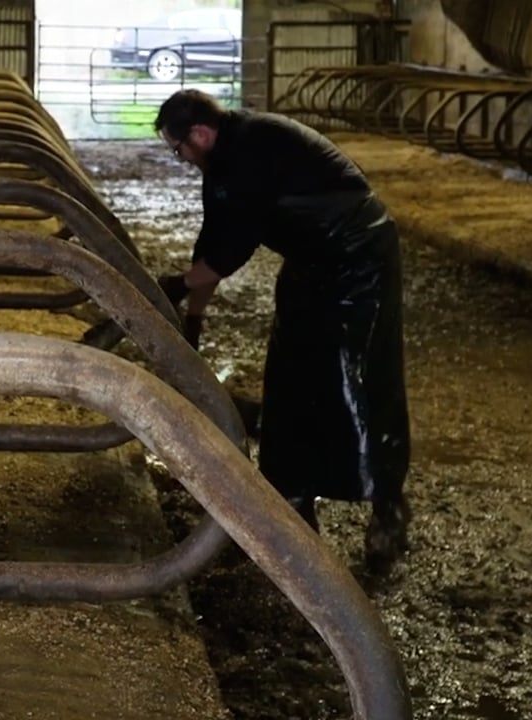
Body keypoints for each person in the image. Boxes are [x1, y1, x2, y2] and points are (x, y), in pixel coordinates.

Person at [152, 89, 412, 573]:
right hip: (311, 262)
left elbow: (230, 254)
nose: (180, 159)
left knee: (355, 378)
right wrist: (192, 320)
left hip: (359, 258)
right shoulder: (219, 164)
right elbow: (210, 249)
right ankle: (290, 514)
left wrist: (177, 286)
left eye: (178, 148)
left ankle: (387, 513)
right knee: (290, 375)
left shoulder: (254, 146)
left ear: (200, 134)